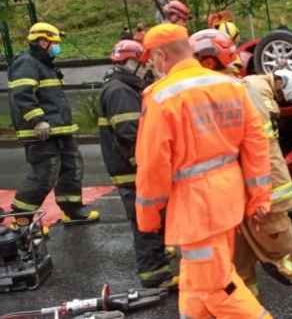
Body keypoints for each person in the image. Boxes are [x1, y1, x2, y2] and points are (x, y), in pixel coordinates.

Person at [189, 29, 292, 318]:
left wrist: (257, 198)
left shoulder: (237, 93)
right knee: (238, 267)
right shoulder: (245, 86)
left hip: (263, 197)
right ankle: (246, 311)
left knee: (281, 257)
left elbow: (248, 150)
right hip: (241, 198)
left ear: (209, 63)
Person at [135, 23, 273, 318]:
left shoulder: (161, 98)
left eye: (152, 60)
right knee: (195, 285)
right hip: (227, 202)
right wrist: (259, 197)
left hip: (196, 210)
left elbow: (152, 165)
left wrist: (148, 216)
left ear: (161, 56)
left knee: (217, 288)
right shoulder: (231, 86)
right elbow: (256, 145)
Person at [98, 40, 176, 288]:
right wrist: (146, 164)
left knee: (152, 217)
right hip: (133, 170)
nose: (146, 69)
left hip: (132, 168)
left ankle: (158, 258)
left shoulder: (121, 87)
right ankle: (154, 274)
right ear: (131, 63)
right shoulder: (120, 91)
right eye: (143, 64)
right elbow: (131, 132)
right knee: (146, 220)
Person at [8, 22, 99, 227]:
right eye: (54, 43)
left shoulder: (45, 64)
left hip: (59, 130)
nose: (57, 47)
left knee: (72, 168)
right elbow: (22, 95)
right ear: (42, 41)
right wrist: (38, 120)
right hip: (41, 132)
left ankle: (73, 211)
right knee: (44, 174)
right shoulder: (26, 62)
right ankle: (22, 219)